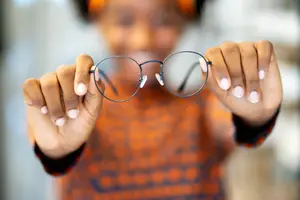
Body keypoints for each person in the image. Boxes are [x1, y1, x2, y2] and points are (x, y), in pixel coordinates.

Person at [22, 0, 283, 199]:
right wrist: (58, 152)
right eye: (124, 21)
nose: (143, 38)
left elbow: (235, 124)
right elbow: (53, 146)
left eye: (164, 21)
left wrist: (255, 116)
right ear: (96, 18)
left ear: (184, 20)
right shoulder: (71, 112)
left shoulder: (203, 107)